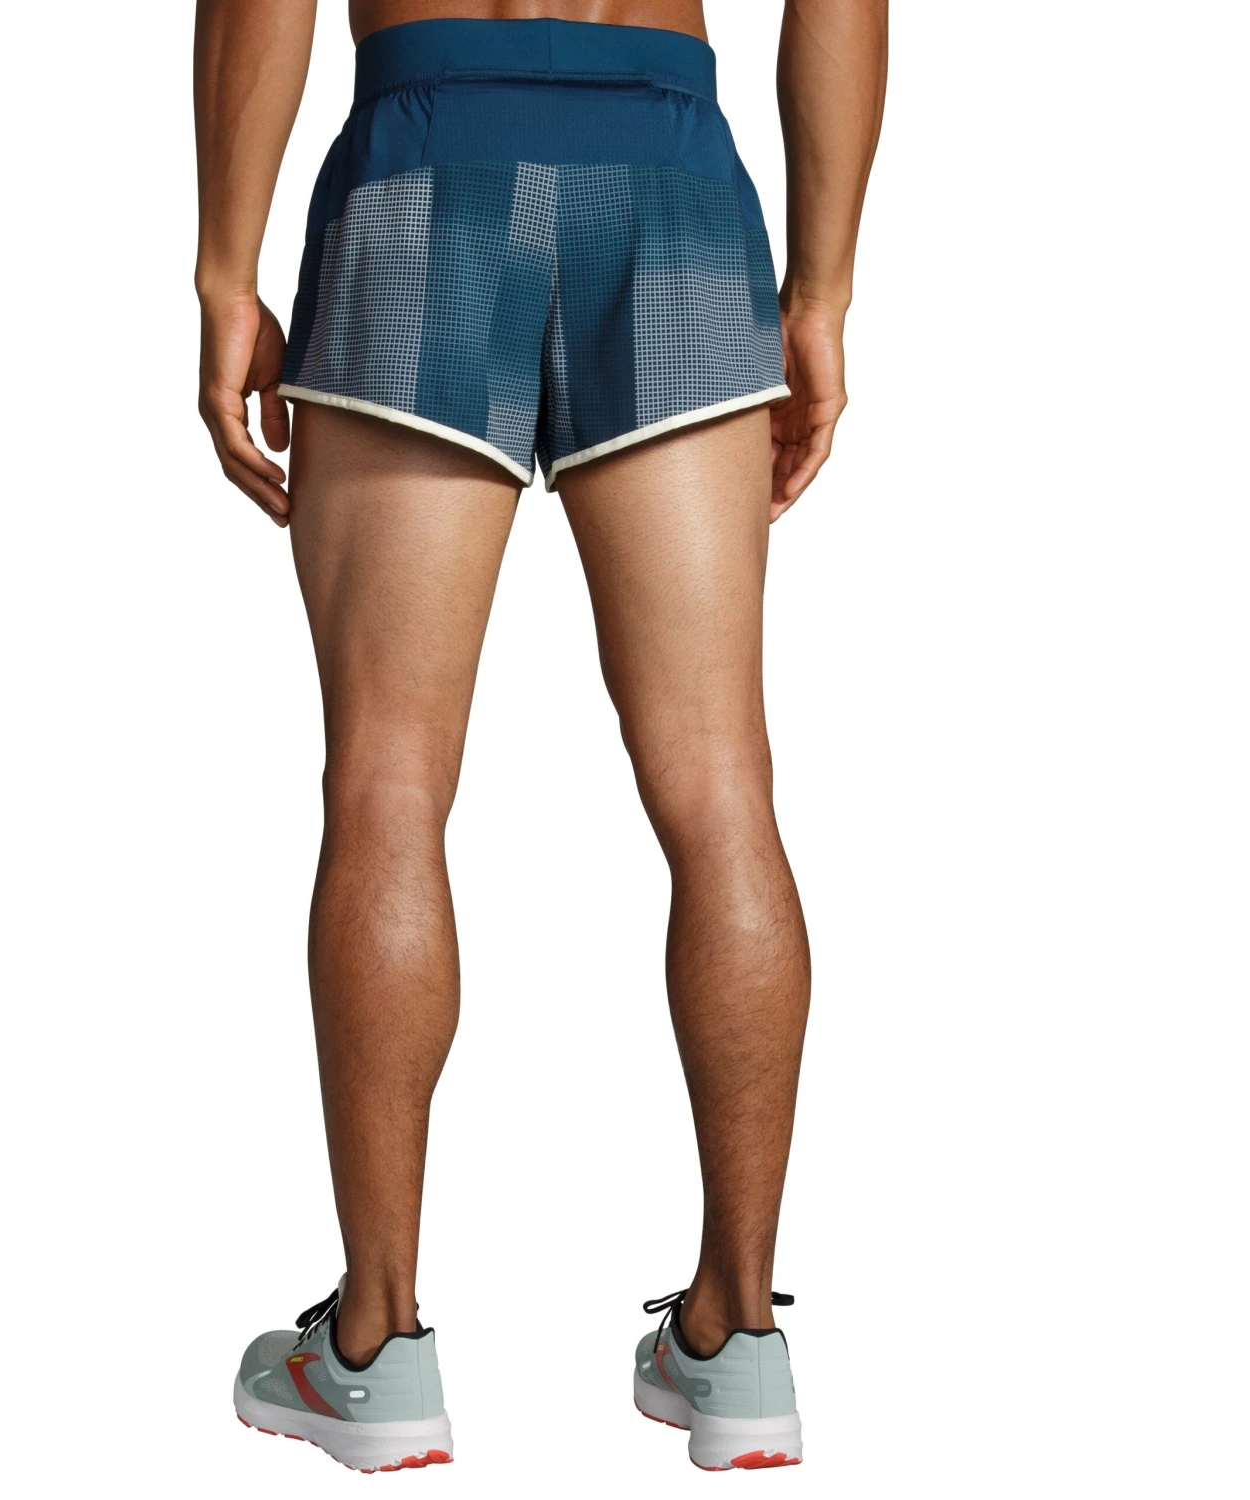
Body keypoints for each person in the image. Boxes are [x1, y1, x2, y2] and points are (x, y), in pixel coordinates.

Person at [195, 0, 886, 1473]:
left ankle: (375, 1352)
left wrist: (224, 269)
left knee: (387, 786)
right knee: (721, 790)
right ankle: (737, 1339)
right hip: (674, 186)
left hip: (424, 168)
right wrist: (821, 291)